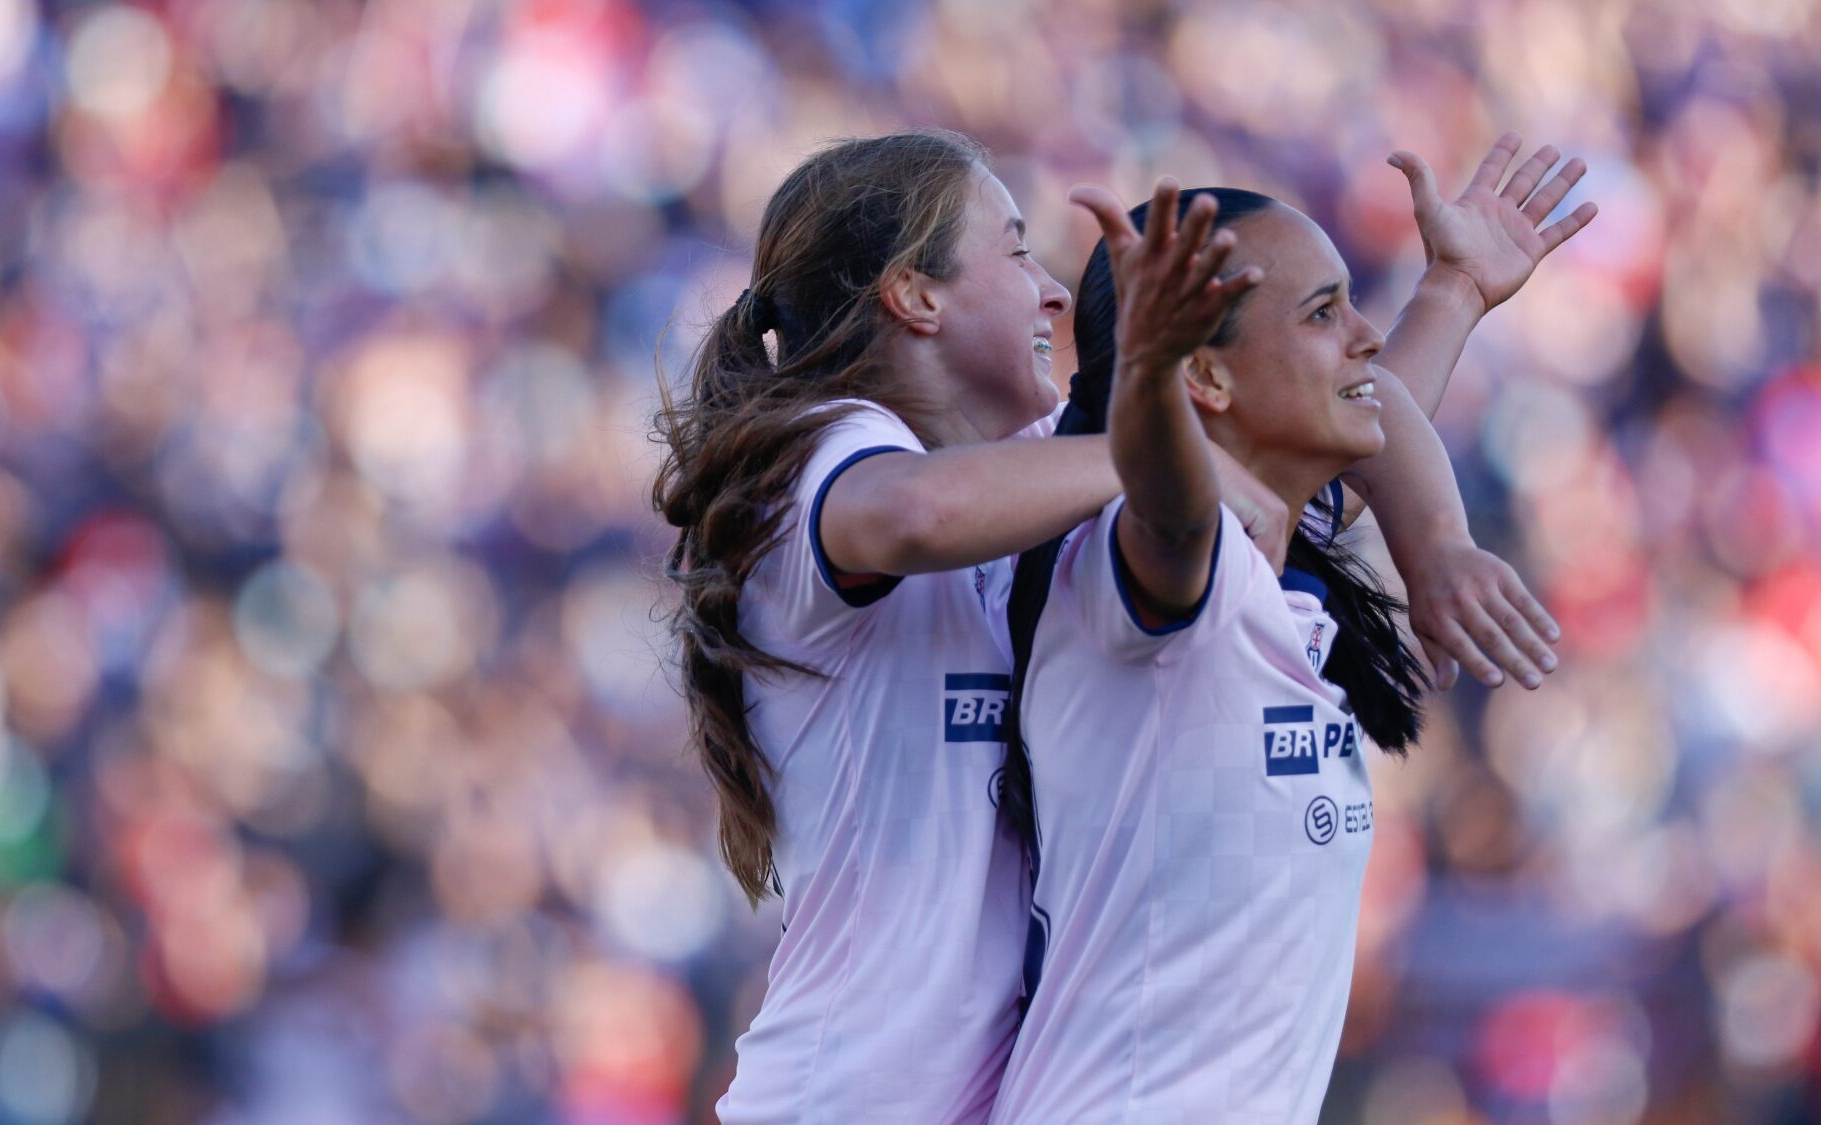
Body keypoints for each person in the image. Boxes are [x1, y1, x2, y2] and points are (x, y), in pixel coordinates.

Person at [657, 128, 1580, 1122]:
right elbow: (911, 512)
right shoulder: (825, 457)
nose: (1053, 291)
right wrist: (1167, 446)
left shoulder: (1034, 482)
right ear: (913, 295)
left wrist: (1435, 525)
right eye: (1014, 252)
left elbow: (1324, 433)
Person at [990, 166, 1593, 1122]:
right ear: (1205, 374)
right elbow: (1174, 510)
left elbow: (1375, 399)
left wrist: (1456, 288)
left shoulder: (1276, 555)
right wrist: (1148, 381)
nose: (1363, 334)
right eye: (1322, 313)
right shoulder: (1147, 564)